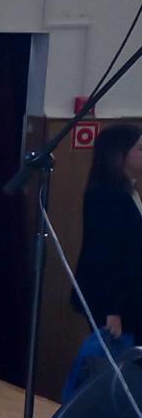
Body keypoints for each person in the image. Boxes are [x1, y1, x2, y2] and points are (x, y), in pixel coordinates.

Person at [66, 124, 142, 399]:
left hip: (129, 295)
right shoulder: (105, 195)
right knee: (111, 363)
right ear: (119, 155)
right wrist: (112, 310)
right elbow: (104, 254)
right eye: (140, 149)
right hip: (114, 300)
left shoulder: (128, 190)